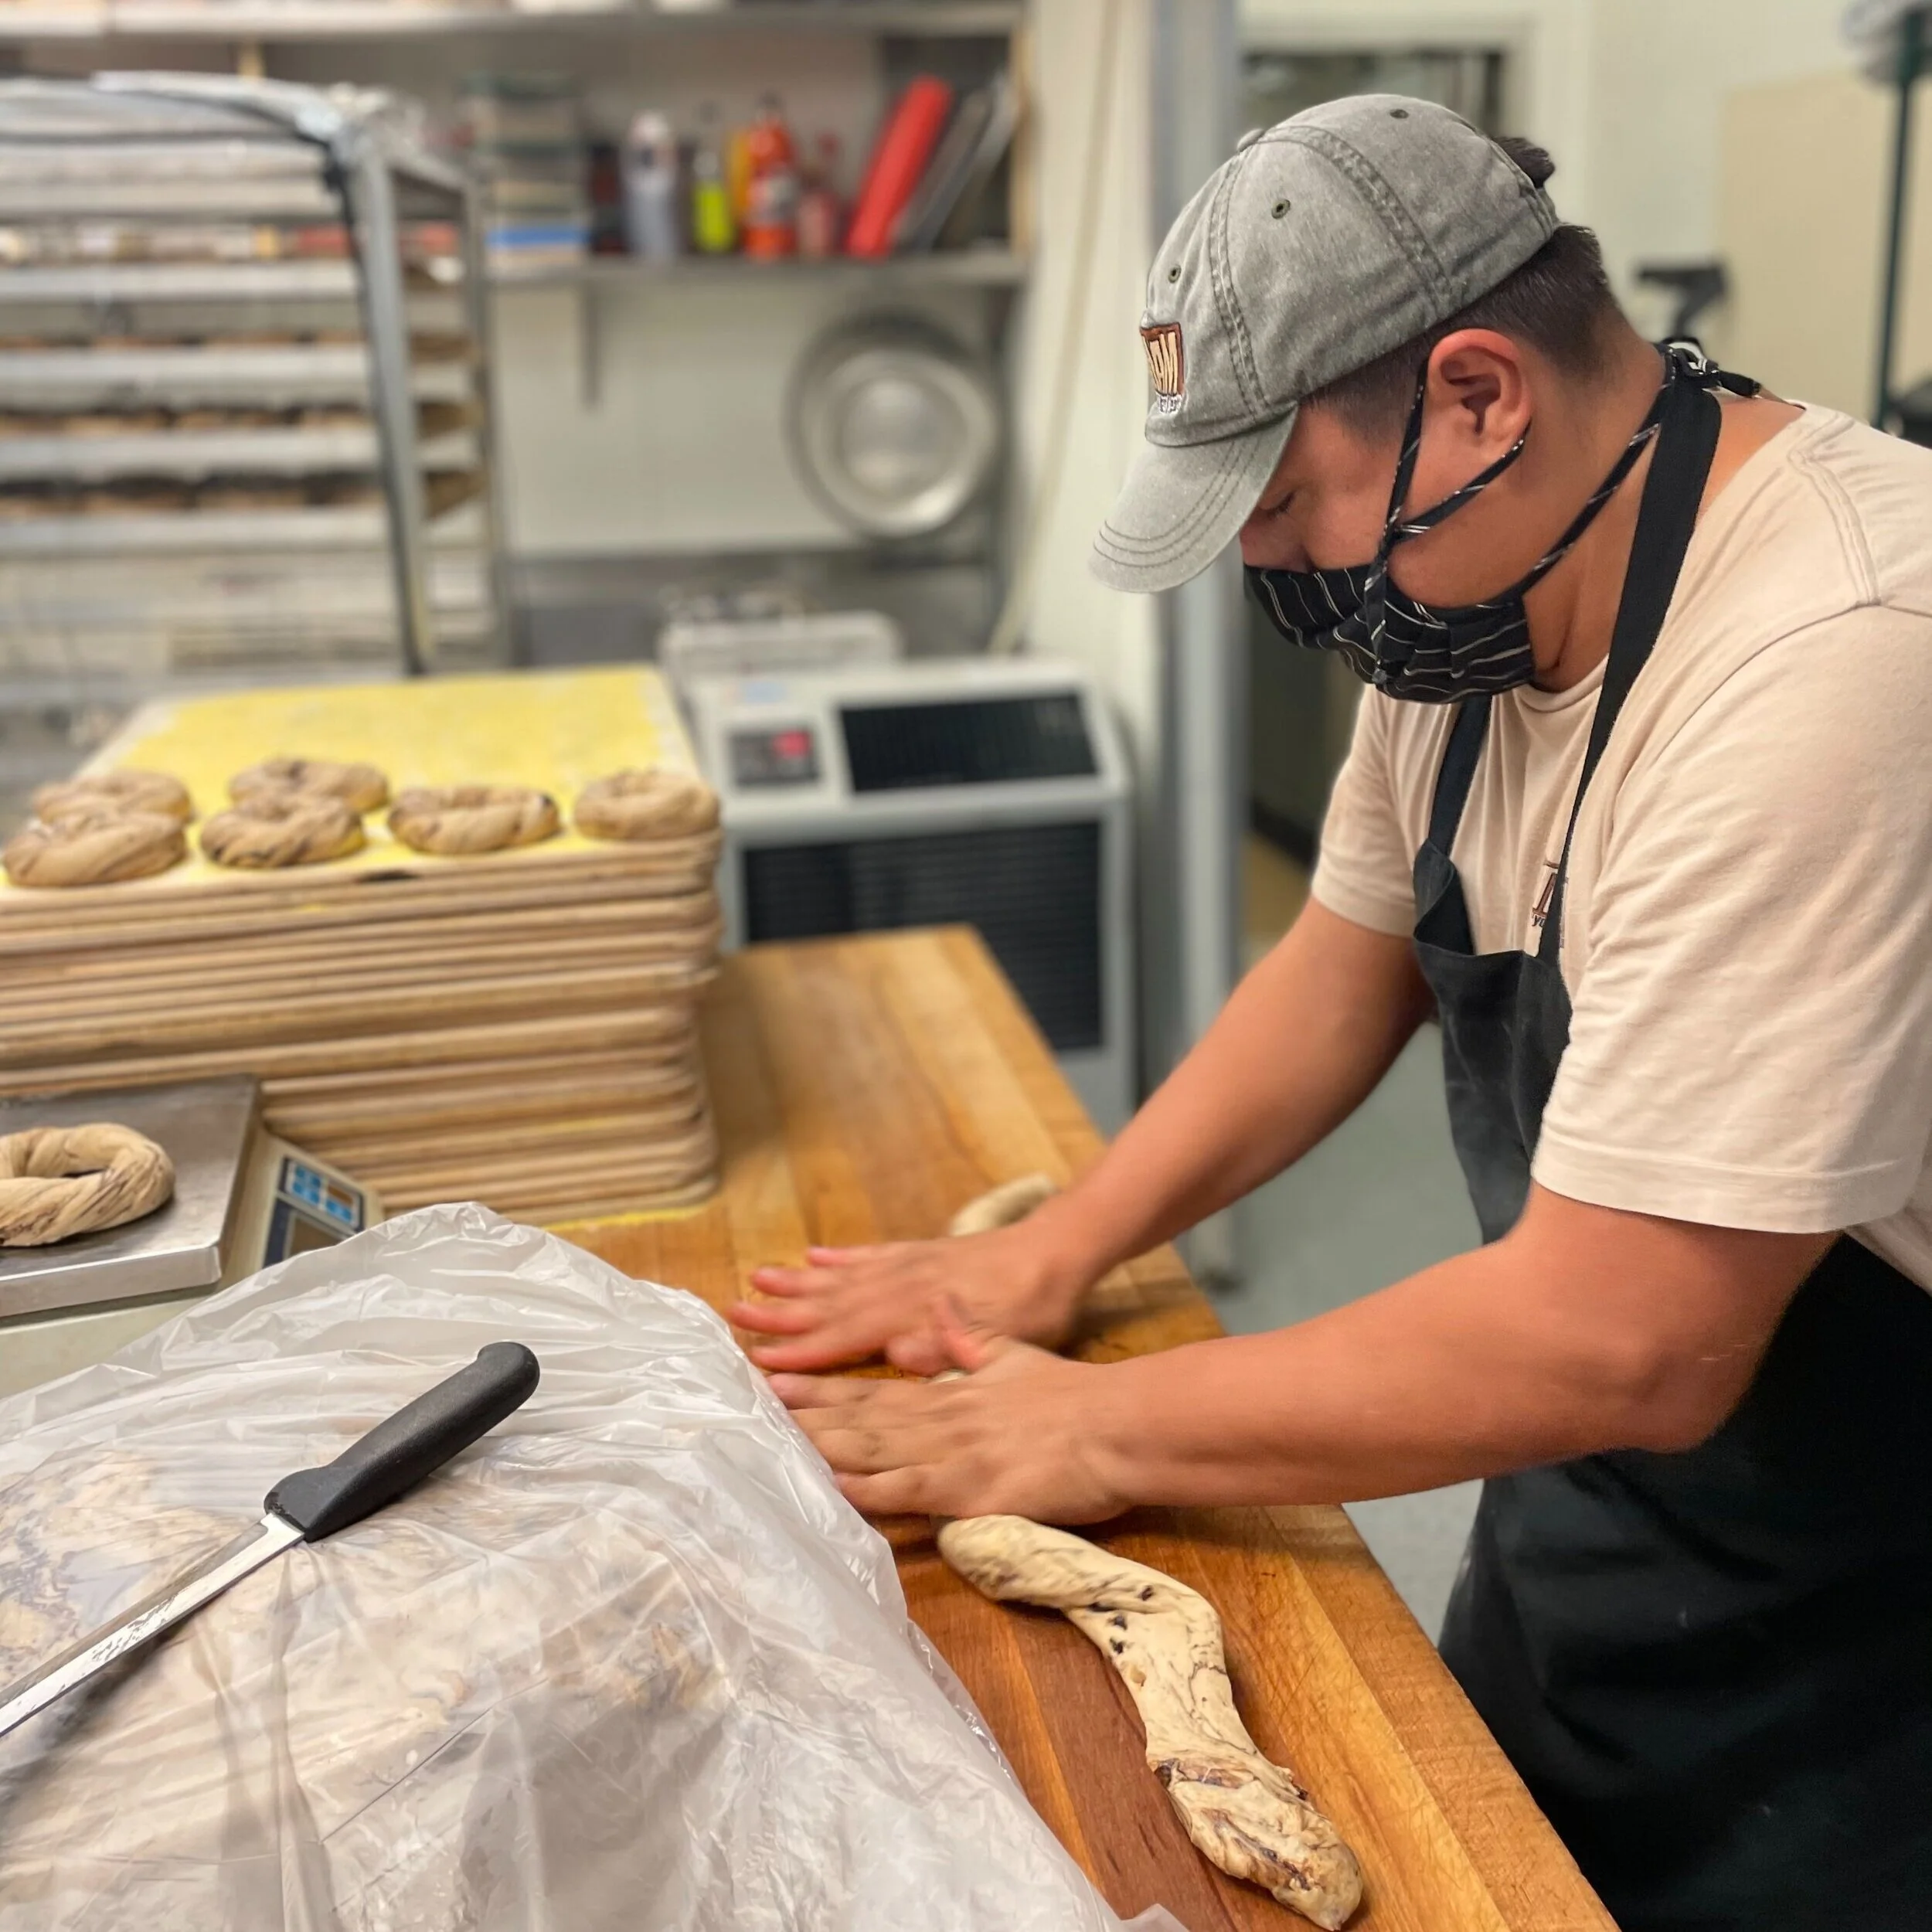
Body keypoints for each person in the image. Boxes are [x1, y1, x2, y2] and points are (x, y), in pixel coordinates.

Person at [730, 95, 1932, 1932]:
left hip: (1869, 1623)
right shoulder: (1479, 598)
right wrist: (1060, 1248)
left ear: (1476, 395)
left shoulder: (1834, 657)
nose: (1272, 570)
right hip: (1588, 1523)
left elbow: (1634, 1335)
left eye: (1285, 502)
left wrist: (1081, 1431)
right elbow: (1339, 965)